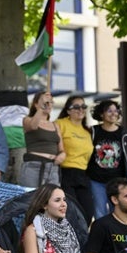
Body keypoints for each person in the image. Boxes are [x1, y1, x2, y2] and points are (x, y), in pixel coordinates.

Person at [87, 100, 127, 219]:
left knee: (118, 212)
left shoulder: (125, 133)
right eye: (109, 111)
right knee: (99, 212)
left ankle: (115, 236)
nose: (113, 113)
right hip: (96, 181)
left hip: (117, 182)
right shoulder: (93, 131)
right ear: (101, 114)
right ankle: (104, 236)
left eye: (116, 111)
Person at [55, 95, 94, 226]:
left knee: (88, 212)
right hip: (66, 172)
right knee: (71, 211)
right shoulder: (60, 124)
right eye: (76, 107)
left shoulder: (87, 131)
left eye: (83, 106)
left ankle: (81, 242)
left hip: (83, 174)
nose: (81, 109)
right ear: (68, 110)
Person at [19, 91, 66, 188]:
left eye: (50, 102)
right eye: (45, 101)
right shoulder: (27, 119)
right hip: (34, 165)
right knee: (31, 198)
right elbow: (33, 126)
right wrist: (41, 108)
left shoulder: (55, 125)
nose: (48, 104)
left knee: (51, 198)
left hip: (52, 167)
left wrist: (62, 155)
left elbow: (61, 149)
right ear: (36, 104)